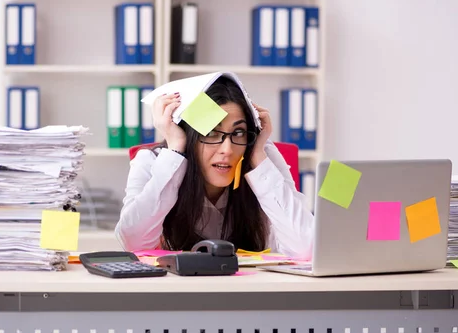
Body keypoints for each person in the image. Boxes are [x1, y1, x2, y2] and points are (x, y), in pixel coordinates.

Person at [114, 76, 314, 258]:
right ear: (189, 137)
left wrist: (258, 158)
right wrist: (175, 149)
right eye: (210, 133)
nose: (227, 149)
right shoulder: (151, 161)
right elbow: (134, 244)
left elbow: (306, 247)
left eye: (238, 133)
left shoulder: (261, 156)